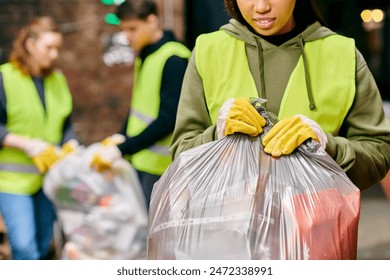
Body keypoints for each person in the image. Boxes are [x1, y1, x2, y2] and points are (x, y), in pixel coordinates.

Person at [170, 0, 390, 191]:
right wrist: (216, 136)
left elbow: (379, 154)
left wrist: (327, 147)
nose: (261, 7)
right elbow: (181, 156)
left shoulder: (342, 54)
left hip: (313, 230)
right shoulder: (209, 51)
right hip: (228, 229)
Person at [91, 0, 191, 209]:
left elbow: (168, 119)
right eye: (124, 29)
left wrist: (124, 148)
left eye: (132, 28)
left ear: (152, 21)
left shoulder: (174, 58)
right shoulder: (146, 54)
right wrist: (122, 135)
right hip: (140, 160)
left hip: (161, 167)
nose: (127, 36)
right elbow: (140, 104)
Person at [0, 16, 78, 259]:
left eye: (58, 48)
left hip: (50, 178)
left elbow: (65, 123)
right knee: (24, 247)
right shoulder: (5, 77)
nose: (54, 54)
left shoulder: (58, 80)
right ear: (30, 44)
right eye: (48, 47)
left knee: (45, 245)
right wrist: (25, 144)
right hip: (14, 181)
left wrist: (71, 142)